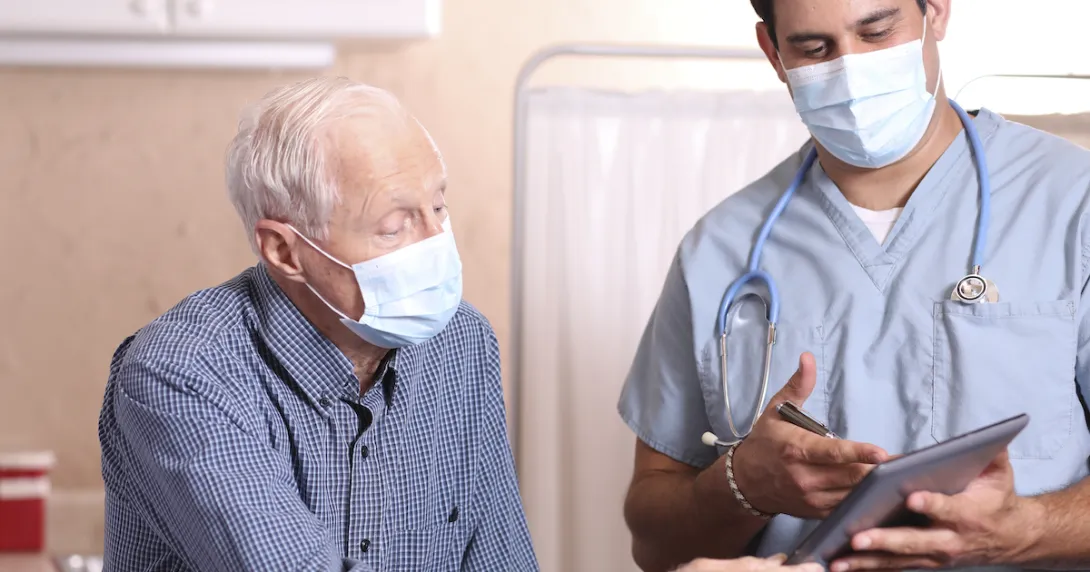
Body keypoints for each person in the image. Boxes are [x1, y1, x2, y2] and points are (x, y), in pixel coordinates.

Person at [619, 1, 1090, 571]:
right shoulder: (718, 251)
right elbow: (653, 542)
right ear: (773, 52)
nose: (850, 70)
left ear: (935, 11)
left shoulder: (1071, 204)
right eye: (814, 50)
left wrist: (1028, 529)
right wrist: (743, 486)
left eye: (877, 30)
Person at [97, 77, 537, 571]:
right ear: (284, 250)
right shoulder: (181, 375)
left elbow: (501, 555)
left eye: (438, 206)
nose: (437, 242)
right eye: (393, 227)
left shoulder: (461, 342)